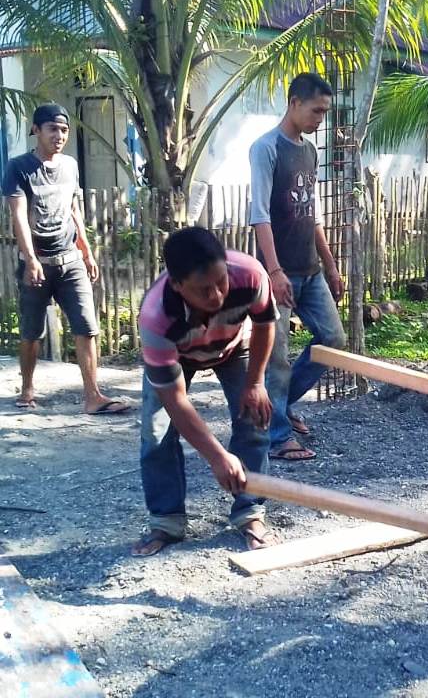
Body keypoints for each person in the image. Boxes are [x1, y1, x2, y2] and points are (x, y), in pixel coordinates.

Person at [132, 227, 278, 556]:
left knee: (254, 420)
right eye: (203, 290)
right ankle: (167, 521)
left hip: (233, 347)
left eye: (221, 281)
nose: (216, 296)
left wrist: (255, 383)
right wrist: (216, 457)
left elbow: (266, 324)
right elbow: (176, 401)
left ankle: (250, 512)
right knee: (156, 434)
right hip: (178, 356)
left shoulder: (251, 275)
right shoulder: (157, 316)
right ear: (177, 284)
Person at [2, 103, 128, 414]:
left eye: (64, 130)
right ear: (36, 130)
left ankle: (92, 395)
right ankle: (28, 387)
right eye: (52, 129)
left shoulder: (70, 165)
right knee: (32, 332)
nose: (59, 135)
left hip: (70, 260)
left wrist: (85, 249)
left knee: (86, 326)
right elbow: (18, 216)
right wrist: (30, 259)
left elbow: (74, 208)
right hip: (38, 263)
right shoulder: (19, 167)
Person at [250, 72, 346, 462]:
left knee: (333, 341)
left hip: (311, 270)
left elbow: (314, 214)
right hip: (279, 271)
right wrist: (273, 273)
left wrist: (331, 265)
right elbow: (259, 216)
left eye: (325, 112)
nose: (320, 119)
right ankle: (278, 437)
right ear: (293, 103)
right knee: (276, 357)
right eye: (316, 111)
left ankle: (282, 403)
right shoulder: (265, 148)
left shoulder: (309, 151)